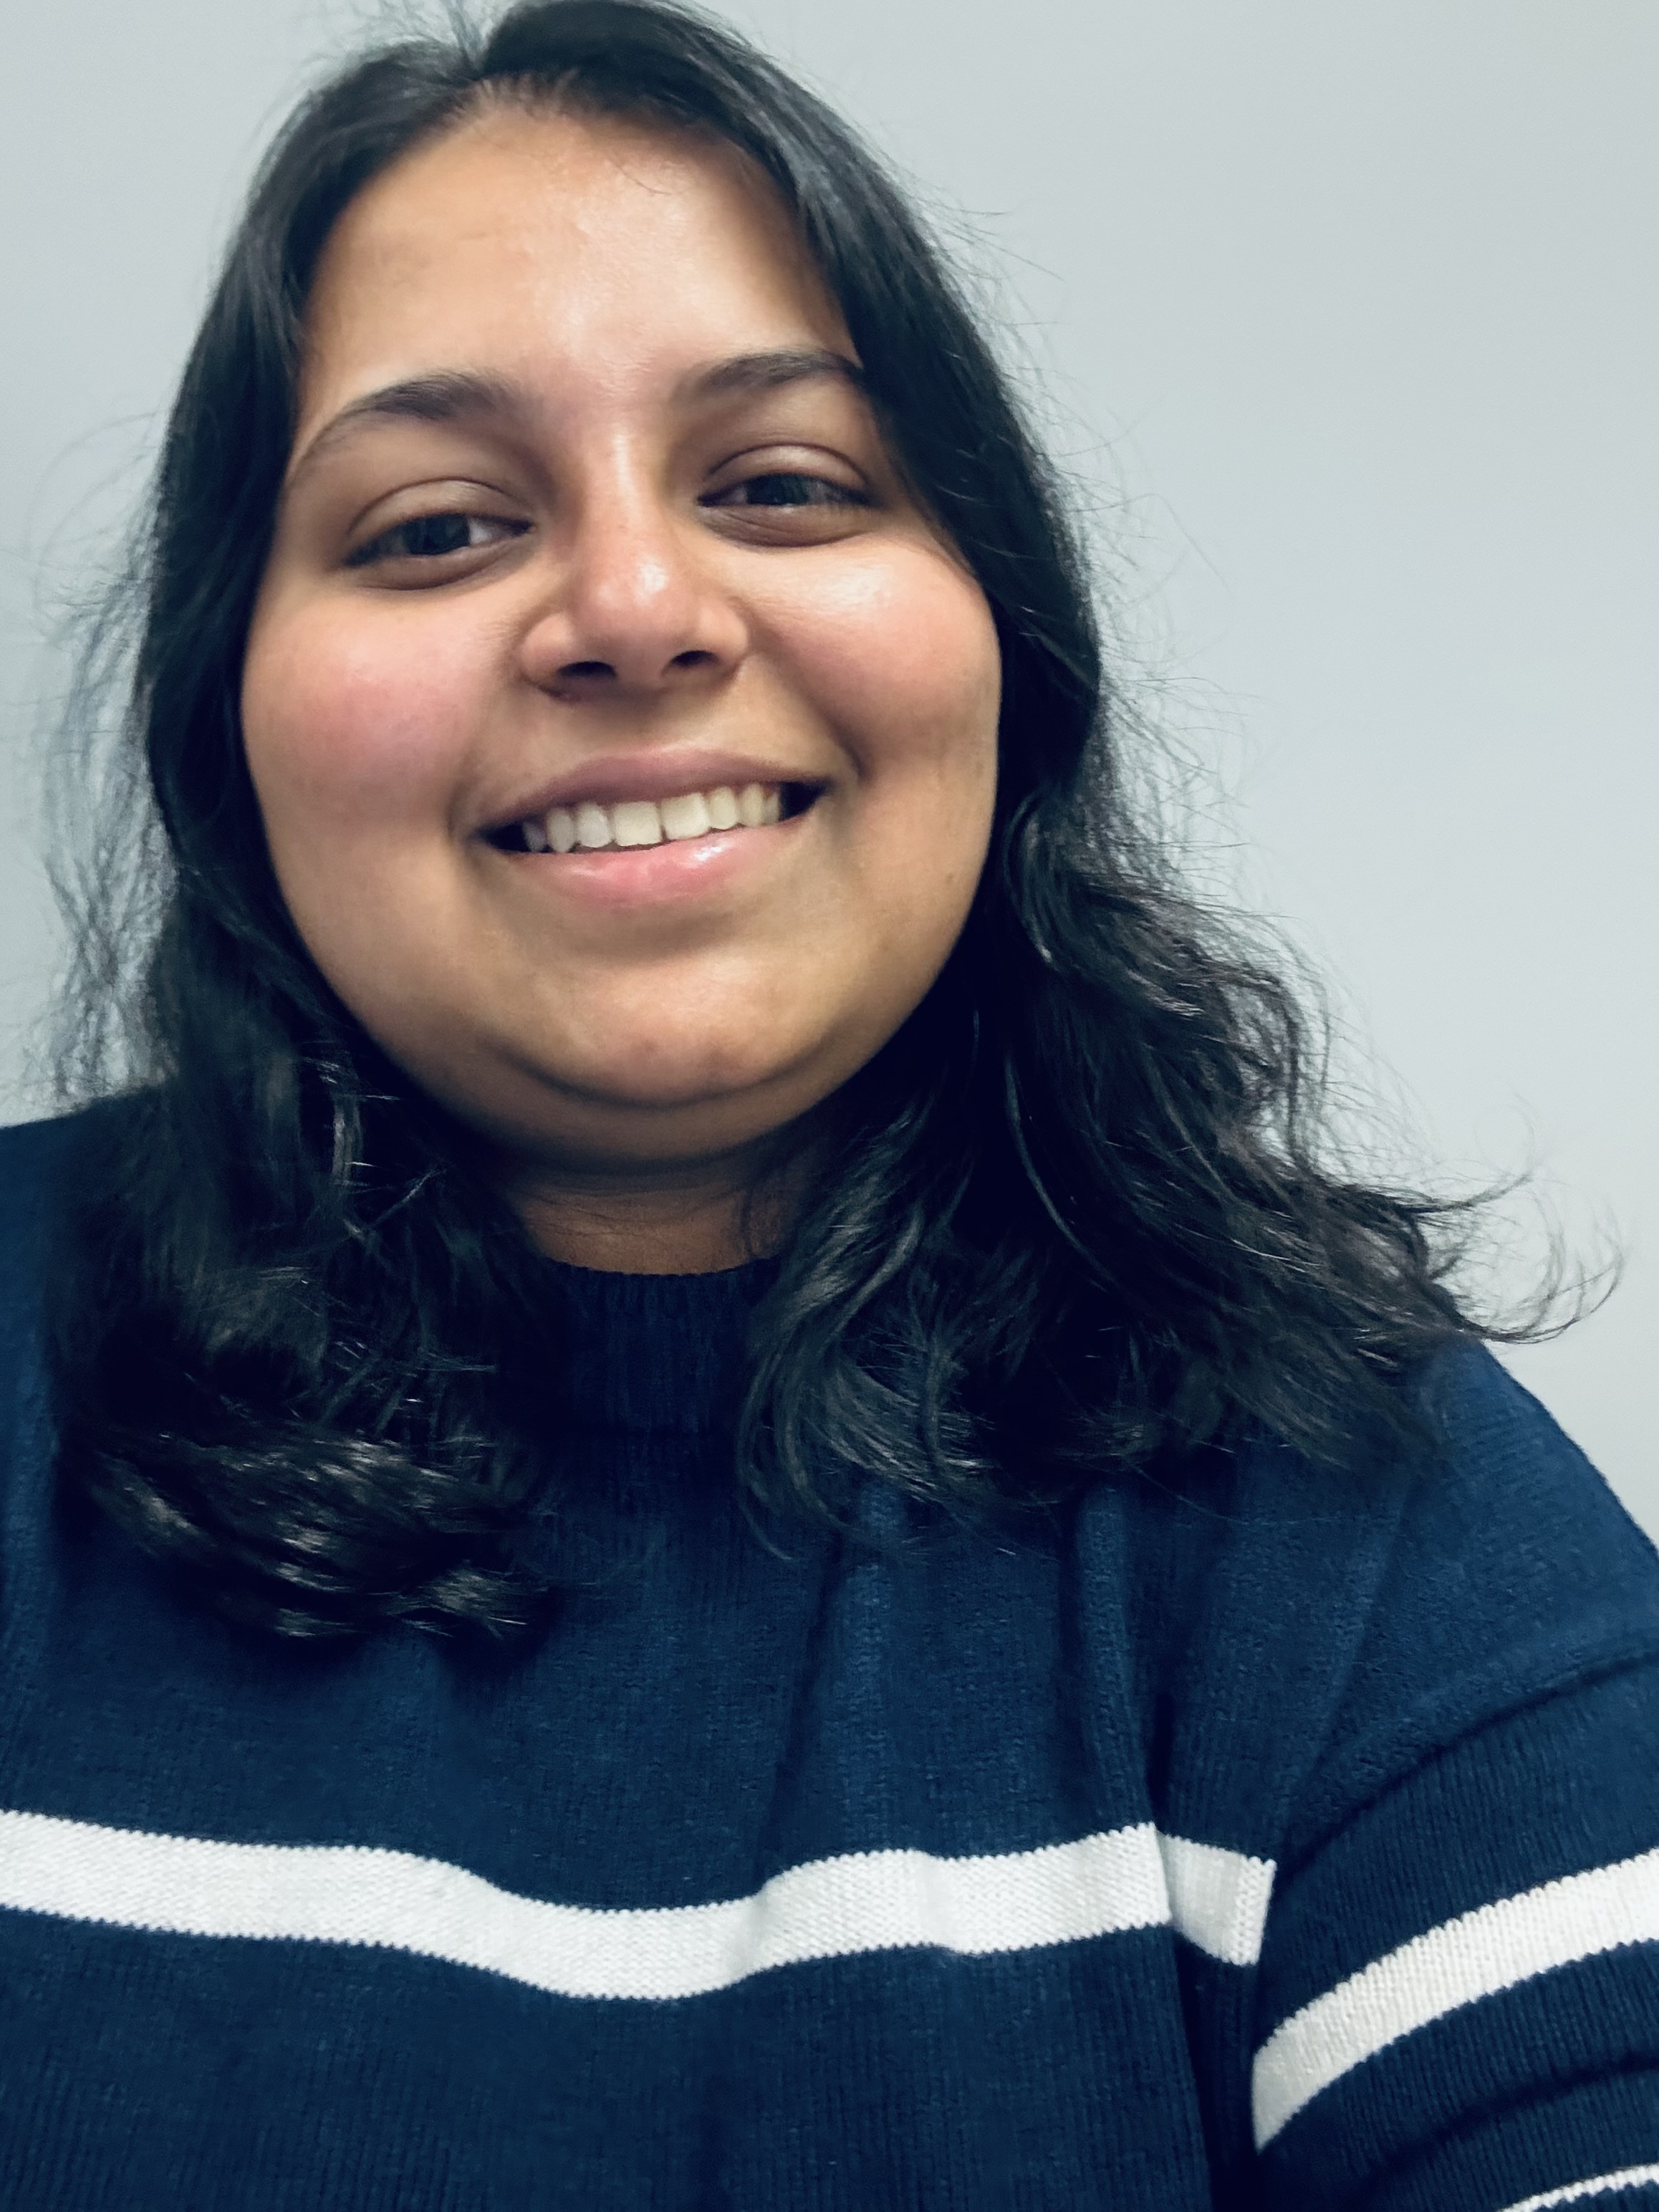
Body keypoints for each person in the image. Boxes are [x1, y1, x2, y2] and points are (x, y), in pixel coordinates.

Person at [1, 1, 1654, 2203]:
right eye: (429, 529)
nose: (631, 611)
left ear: (1001, 648)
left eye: (780, 483)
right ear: (228, 734)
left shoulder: (1364, 1517)